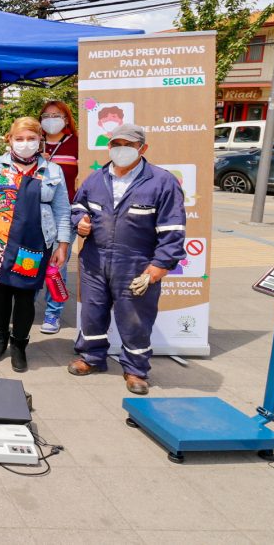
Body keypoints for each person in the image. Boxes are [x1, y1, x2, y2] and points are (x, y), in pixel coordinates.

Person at [68, 123, 186, 395]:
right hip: (95, 260)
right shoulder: (96, 179)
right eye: (116, 144)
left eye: (129, 145)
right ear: (109, 147)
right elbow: (78, 206)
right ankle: (92, 358)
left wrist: (158, 267)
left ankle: (135, 369)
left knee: (135, 318)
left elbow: (173, 229)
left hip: (136, 263)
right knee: (92, 313)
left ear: (142, 148)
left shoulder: (161, 181)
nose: (121, 150)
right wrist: (80, 222)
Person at [0, 117, 71, 373]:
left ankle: (20, 345)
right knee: (1, 293)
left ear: (39, 140)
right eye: (19, 139)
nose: (25, 144)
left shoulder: (52, 170)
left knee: (25, 296)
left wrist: (63, 244)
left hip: (35, 240)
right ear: (10, 139)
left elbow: (62, 209)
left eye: (31, 139)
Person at [38, 100, 80, 334]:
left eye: (57, 115)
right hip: (35, 211)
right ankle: (26, 302)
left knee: (57, 262)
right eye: (46, 115)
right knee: (31, 260)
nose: (51, 119)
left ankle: (53, 313)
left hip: (65, 210)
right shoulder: (34, 142)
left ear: (66, 118)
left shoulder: (76, 144)